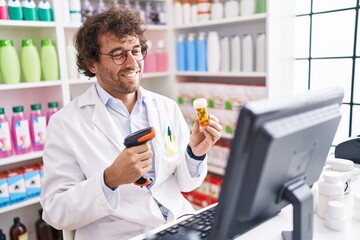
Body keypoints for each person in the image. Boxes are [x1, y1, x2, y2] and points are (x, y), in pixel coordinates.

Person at [40, 4, 222, 240]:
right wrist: (110, 179)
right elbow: (55, 211)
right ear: (91, 63)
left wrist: (195, 153)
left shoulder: (166, 107)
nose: (132, 62)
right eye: (118, 54)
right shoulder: (65, 123)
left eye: (136, 50)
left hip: (176, 224)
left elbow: (186, 184)